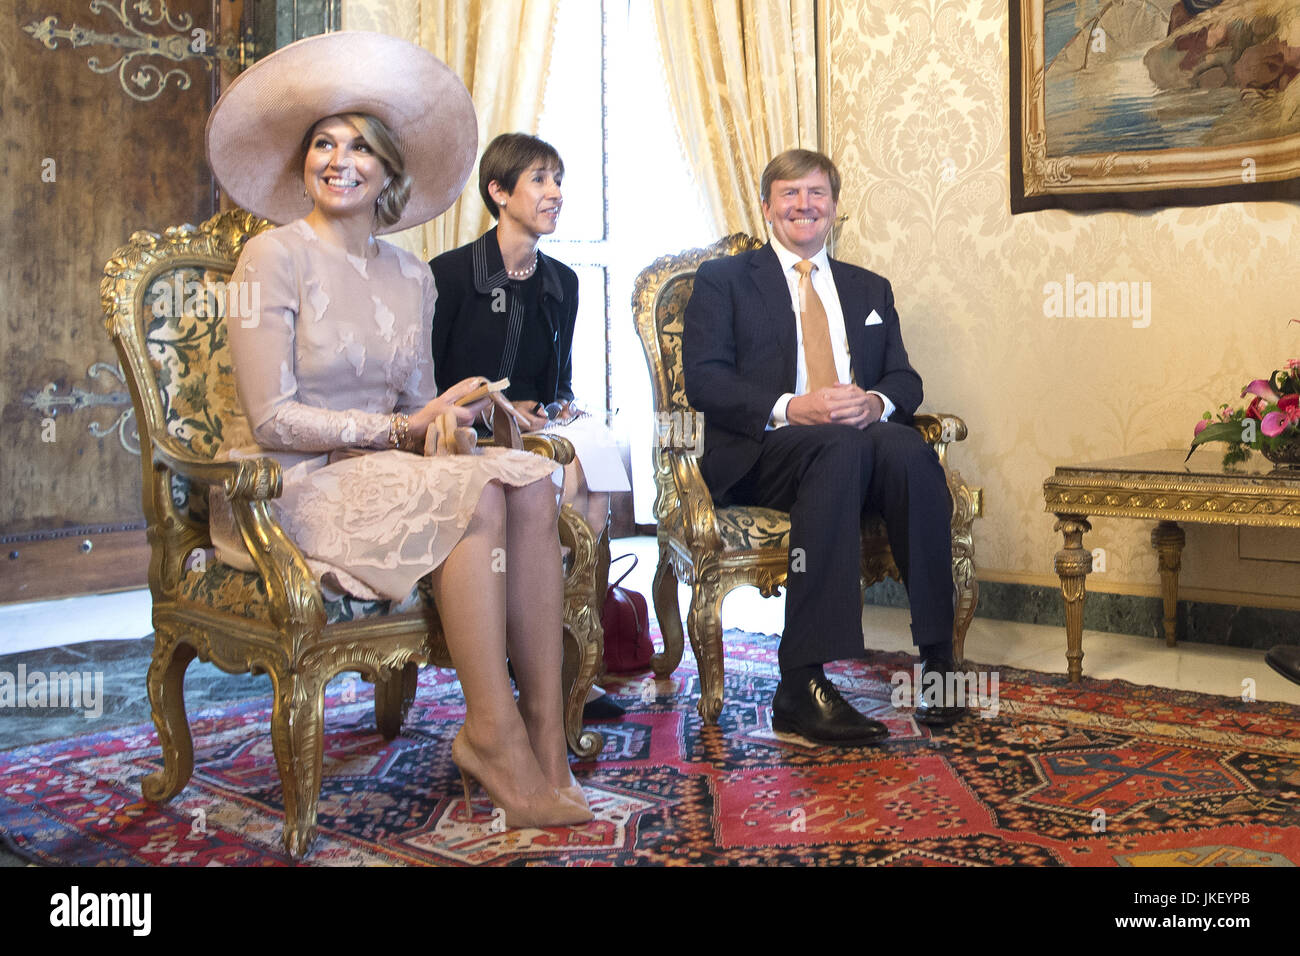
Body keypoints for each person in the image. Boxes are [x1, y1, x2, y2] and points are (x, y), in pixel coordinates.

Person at [204, 31, 591, 828]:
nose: (338, 160)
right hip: (289, 484)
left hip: (382, 469)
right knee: (480, 495)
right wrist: (397, 430)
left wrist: (456, 408)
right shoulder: (270, 260)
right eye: (322, 144)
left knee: (529, 479)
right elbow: (269, 416)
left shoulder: (413, 275)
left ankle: (547, 740)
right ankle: (491, 733)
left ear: (388, 173)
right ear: (301, 164)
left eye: (359, 148)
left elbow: (418, 408)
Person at [682, 148, 961, 747]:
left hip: (853, 443)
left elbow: (905, 379)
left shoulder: (868, 288)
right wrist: (791, 405)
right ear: (766, 207)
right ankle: (801, 682)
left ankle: (939, 660)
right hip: (766, 452)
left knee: (909, 451)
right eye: (789, 193)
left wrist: (877, 404)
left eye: (817, 194)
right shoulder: (724, 281)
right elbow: (705, 380)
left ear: (834, 207)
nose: (804, 205)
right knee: (836, 446)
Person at [430, 133, 631, 719]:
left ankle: (565, 659)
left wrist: (554, 408)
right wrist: (494, 407)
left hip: (531, 434)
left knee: (592, 477)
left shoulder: (561, 283)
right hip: (460, 435)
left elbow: (557, 382)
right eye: (539, 180)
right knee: (552, 481)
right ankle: (522, 665)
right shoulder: (449, 275)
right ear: (499, 192)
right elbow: (425, 385)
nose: (555, 193)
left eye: (558, 180)